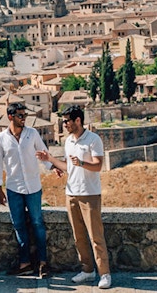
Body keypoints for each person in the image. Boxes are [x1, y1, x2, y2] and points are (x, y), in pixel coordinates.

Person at [36, 105, 112, 289]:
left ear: (78, 120)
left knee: (96, 237)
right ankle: (87, 270)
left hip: (90, 194)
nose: (64, 124)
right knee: (78, 237)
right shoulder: (68, 141)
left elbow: (98, 166)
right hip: (71, 193)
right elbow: (69, 167)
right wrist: (51, 160)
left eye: (67, 121)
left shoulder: (93, 140)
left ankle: (105, 274)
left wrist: (83, 163)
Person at [0, 102, 51, 278]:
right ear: (10, 117)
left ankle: (43, 263)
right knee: (19, 226)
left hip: (33, 187)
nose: (23, 118)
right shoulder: (1, 139)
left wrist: (52, 167)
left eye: (24, 115)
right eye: (20, 115)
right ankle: (25, 264)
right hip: (13, 188)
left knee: (37, 224)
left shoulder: (32, 133)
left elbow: (44, 153)